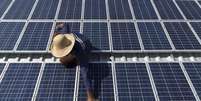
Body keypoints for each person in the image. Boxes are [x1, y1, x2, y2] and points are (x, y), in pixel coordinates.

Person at [50, 22, 95, 101]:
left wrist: (90, 97)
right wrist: (58, 27)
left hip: (87, 44)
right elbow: (65, 25)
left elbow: (85, 74)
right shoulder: (64, 36)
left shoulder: (81, 53)